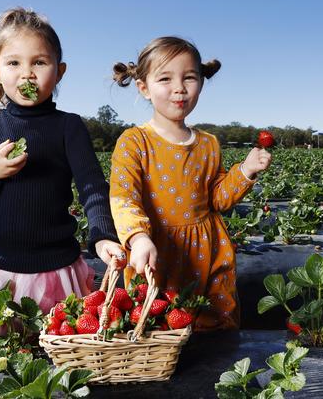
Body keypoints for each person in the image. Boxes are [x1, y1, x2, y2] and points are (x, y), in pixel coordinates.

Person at [0, 8, 124, 341]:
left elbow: (92, 186)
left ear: (59, 71)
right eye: (14, 63)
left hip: (54, 266)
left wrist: (103, 234)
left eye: (39, 62)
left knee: (51, 354)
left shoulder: (69, 127)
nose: (27, 75)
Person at [110, 37, 272, 331]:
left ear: (200, 82)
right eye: (165, 78)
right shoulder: (134, 142)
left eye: (189, 78)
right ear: (143, 87)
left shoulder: (208, 143)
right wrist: (137, 237)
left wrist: (246, 171)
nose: (179, 88)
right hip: (156, 251)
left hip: (207, 253)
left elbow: (218, 200)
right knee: (157, 326)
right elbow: (124, 198)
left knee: (213, 327)